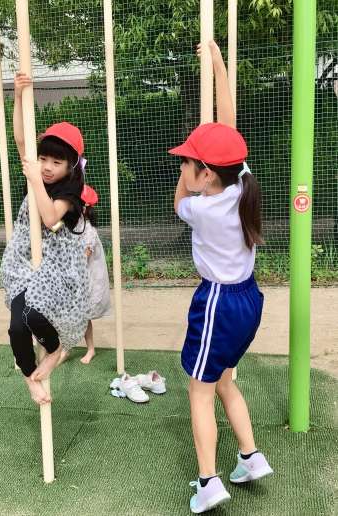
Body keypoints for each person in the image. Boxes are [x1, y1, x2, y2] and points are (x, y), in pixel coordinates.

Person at [170, 42, 273, 514]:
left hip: (217, 303)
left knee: (200, 390)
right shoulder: (241, 182)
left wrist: (188, 172)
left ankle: (208, 482)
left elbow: (179, 200)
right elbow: (228, 126)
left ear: (207, 174)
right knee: (226, 379)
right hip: (249, 301)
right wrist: (216, 61)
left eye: (187, 161)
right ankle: (250, 458)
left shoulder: (202, 208)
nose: (183, 165)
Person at [0, 72, 89, 405]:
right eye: (43, 159)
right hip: (22, 260)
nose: (47, 166)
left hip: (54, 264)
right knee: (17, 327)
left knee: (36, 316)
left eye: (56, 162)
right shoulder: (37, 171)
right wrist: (18, 96)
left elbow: (51, 218)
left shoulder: (71, 191)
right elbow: (21, 139)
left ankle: (55, 349)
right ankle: (29, 377)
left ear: (71, 166)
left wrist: (36, 179)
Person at [57, 184, 111, 366]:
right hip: (72, 275)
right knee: (69, 314)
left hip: (84, 278)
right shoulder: (71, 224)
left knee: (81, 315)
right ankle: (68, 348)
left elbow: (84, 257)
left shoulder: (88, 230)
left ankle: (83, 349)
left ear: (84, 207)